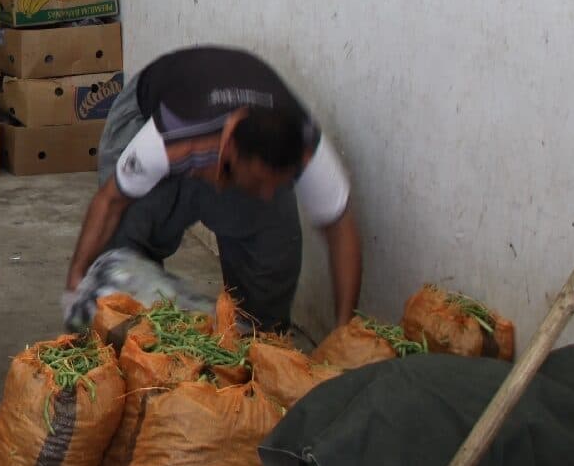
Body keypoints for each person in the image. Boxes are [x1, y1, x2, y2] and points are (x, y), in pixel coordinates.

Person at [66, 45, 362, 332]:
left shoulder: (304, 143)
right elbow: (110, 201)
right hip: (147, 110)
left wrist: (343, 330)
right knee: (121, 255)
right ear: (231, 149)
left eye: (277, 182)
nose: (267, 192)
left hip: (231, 138)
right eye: (259, 181)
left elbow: (340, 226)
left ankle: (254, 339)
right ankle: (131, 342)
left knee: (272, 247)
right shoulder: (173, 136)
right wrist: (77, 277)